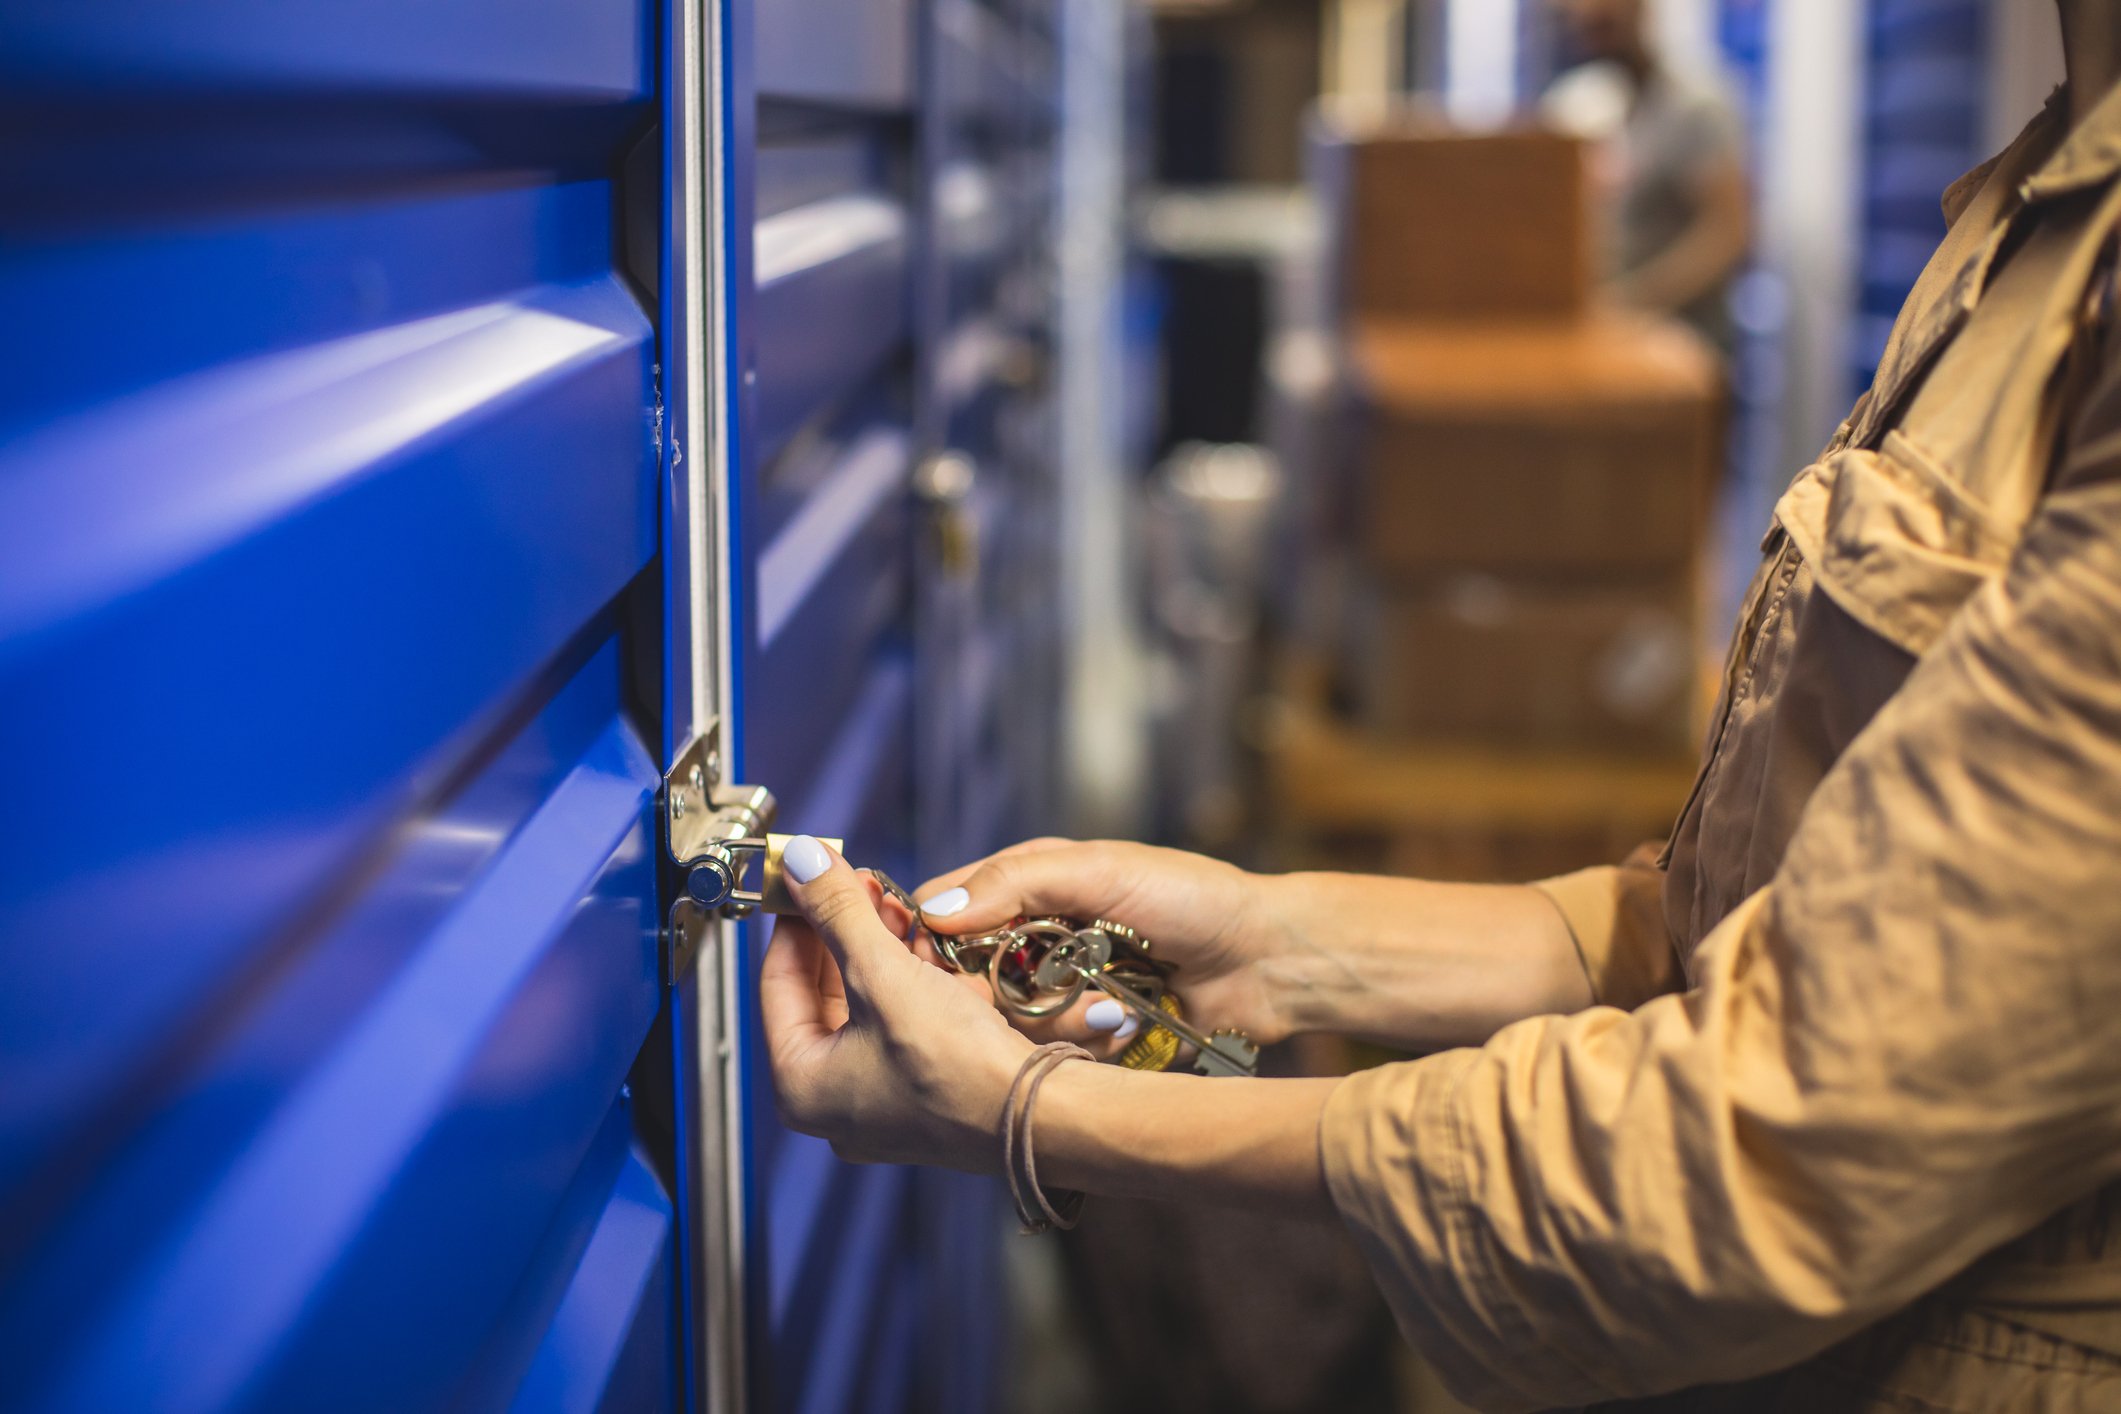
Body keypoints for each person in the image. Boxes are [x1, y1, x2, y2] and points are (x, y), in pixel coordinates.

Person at [761, 3, 2121, 1408]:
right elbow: (1737, 930)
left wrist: (1040, 1112)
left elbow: (1776, 1148)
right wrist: (1278, 938)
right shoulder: (2028, 214)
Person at [1539, 0, 1750, 353]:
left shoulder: (1695, 107)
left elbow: (1727, 234)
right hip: (1605, 342)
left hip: (1682, 346)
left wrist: (1631, 304)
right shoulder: (1578, 103)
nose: (1592, 33)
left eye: (1604, 23)